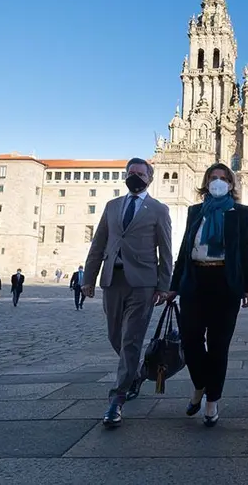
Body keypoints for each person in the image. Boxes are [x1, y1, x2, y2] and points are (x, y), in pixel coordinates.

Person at [82, 157, 173, 428]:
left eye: (140, 173)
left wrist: (163, 286)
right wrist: (88, 278)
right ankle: (133, 373)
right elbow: (98, 243)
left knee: (131, 339)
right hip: (113, 279)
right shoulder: (112, 206)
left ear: (149, 178)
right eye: (130, 173)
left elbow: (166, 251)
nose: (134, 176)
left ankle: (117, 399)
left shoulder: (159, 209)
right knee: (115, 336)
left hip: (143, 283)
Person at [169, 163, 248, 427]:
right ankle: (200, 385)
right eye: (213, 178)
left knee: (218, 346)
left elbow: (245, 250)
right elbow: (185, 247)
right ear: (205, 183)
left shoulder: (239, 212)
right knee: (191, 340)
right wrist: (174, 285)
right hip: (194, 280)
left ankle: (211, 402)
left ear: (231, 184)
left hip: (225, 283)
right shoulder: (195, 211)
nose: (218, 182)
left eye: (223, 178)